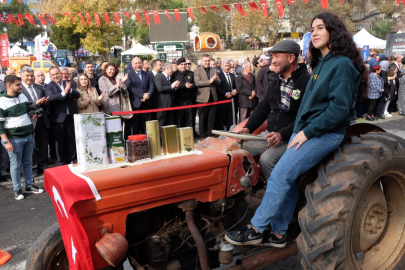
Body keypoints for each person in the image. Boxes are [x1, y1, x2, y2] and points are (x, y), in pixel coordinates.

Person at [225, 12, 366, 247]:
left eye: (321, 27)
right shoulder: (321, 64)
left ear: (334, 32)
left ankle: (256, 229)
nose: (315, 32)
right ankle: (279, 233)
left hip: (325, 133)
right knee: (285, 176)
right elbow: (304, 108)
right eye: (313, 29)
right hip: (308, 131)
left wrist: (307, 132)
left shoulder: (340, 64)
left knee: (281, 173)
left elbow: (339, 110)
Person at [0, 75, 44, 200]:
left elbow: (26, 112)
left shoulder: (22, 96)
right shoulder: (2, 101)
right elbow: (0, 124)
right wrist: (6, 141)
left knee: (28, 162)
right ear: (9, 86)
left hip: (28, 135)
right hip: (13, 139)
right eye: (18, 85)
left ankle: (29, 185)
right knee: (15, 165)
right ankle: (17, 189)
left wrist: (32, 115)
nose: (21, 87)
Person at [45, 67, 80, 166]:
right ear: (51, 76)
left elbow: (77, 95)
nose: (56, 76)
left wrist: (70, 90)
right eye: (53, 75)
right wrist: (64, 93)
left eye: (57, 73)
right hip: (57, 119)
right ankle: (60, 161)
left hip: (70, 117)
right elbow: (50, 98)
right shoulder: (49, 86)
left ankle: (71, 159)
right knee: (58, 142)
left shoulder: (68, 83)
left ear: (61, 74)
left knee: (71, 139)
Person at [20, 66, 50, 177]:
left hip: (42, 119)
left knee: (43, 143)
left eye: (31, 75)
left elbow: (46, 104)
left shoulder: (39, 87)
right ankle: (33, 168)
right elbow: (22, 106)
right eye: (27, 76)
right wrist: (32, 112)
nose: (30, 78)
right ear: (21, 76)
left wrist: (45, 103)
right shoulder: (20, 89)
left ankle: (43, 165)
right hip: (28, 121)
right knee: (31, 145)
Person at [124, 57, 155, 137]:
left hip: (147, 103)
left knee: (147, 126)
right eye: (136, 63)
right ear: (132, 64)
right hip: (136, 104)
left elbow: (151, 85)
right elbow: (130, 87)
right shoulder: (128, 74)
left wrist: (148, 94)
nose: (138, 65)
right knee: (135, 127)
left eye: (139, 63)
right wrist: (142, 95)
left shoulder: (146, 73)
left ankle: (147, 144)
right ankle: (137, 146)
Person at [194, 54, 221, 139]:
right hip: (202, 98)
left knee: (211, 119)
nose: (207, 62)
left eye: (208, 61)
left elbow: (219, 82)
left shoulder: (214, 70)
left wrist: (215, 80)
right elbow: (197, 83)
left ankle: (210, 135)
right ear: (202, 61)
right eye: (205, 61)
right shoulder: (197, 70)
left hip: (213, 97)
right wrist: (210, 81)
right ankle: (202, 135)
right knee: (202, 119)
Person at [171, 57, 195, 128]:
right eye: (181, 64)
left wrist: (191, 86)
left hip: (189, 100)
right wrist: (185, 86)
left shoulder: (190, 74)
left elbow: (195, 84)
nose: (183, 66)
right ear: (177, 65)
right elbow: (174, 86)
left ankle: (189, 136)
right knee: (179, 119)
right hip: (178, 100)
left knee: (189, 119)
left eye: (184, 64)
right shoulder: (174, 75)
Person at [216, 59, 236, 130]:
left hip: (232, 100)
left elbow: (235, 86)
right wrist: (225, 94)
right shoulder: (219, 75)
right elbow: (217, 88)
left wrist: (235, 91)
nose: (227, 67)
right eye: (225, 66)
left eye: (228, 66)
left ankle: (230, 129)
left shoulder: (233, 75)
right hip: (222, 99)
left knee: (230, 116)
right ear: (222, 66)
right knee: (222, 116)